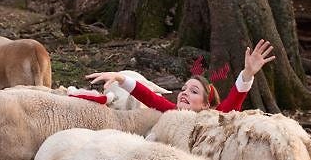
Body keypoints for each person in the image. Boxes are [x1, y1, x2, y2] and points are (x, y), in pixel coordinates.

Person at [86, 39, 276, 113]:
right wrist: (120, 78)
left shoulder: (214, 118)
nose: (184, 92)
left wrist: (248, 73)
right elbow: (149, 97)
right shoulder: (173, 114)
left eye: (194, 91)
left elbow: (234, 100)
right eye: (184, 89)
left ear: (206, 104)